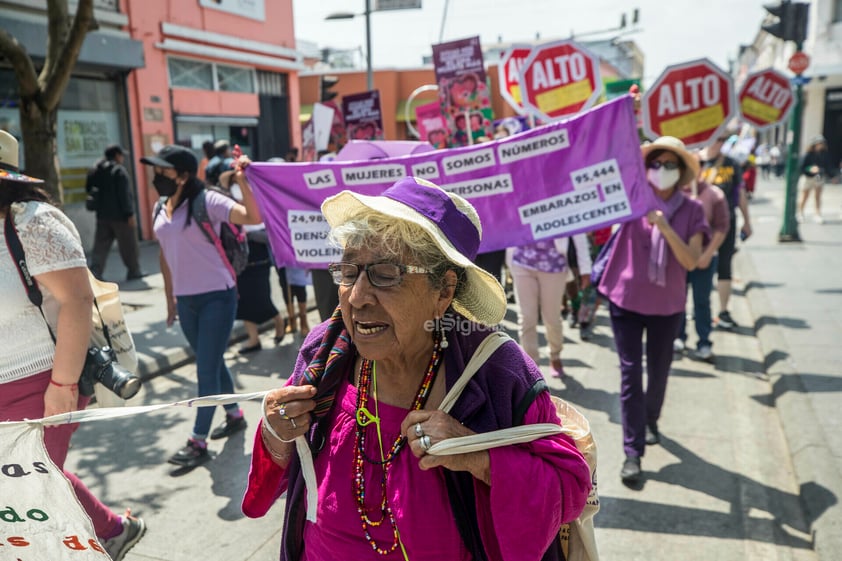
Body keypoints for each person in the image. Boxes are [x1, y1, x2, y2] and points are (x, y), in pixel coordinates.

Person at [242, 176, 591, 560]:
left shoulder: (496, 372)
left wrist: (474, 455)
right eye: (349, 272)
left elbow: (569, 485)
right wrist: (276, 434)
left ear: (443, 291)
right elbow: (282, 468)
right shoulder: (327, 349)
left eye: (386, 275)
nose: (356, 298)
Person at [0, 130, 146, 560]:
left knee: (28, 493)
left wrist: (62, 386)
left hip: (42, 380)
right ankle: (113, 529)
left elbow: (78, 301)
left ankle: (97, 540)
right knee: (32, 483)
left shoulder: (31, 221)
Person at [140, 144, 262, 467]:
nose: (156, 177)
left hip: (217, 297)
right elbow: (165, 255)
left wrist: (243, 181)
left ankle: (198, 441)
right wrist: (170, 299)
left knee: (205, 369)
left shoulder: (207, 201)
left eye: (162, 171)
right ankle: (234, 414)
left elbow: (253, 216)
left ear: (181, 175)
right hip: (187, 301)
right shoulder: (160, 207)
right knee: (212, 361)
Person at [597, 136, 708, 484]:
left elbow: (692, 261)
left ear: (682, 171)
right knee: (630, 374)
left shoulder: (693, 210)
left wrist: (664, 226)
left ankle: (650, 419)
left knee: (658, 372)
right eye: (655, 164)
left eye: (670, 165)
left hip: (668, 305)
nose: (661, 171)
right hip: (625, 300)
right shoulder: (632, 199)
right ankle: (633, 452)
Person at [218, 170, 285, 354]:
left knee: (262, 297)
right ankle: (253, 339)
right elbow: (221, 189)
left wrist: (250, 234)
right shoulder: (228, 202)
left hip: (258, 259)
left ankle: (279, 321)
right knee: (244, 301)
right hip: (238, 260)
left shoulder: (257, 201)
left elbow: (268, 235)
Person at [508, 234, 591, 377]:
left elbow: (578, 232)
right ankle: (531, 367)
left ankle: (555, 355)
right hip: (521, 263)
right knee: (527, 318)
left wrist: (585, 269)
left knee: (551, 318)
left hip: (554, 267)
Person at [675, 154, 731, 362]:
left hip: (705, 260)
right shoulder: (675, 194)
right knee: (678, 299)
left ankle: (704, 341)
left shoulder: (714, 195)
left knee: (701, 301)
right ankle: (677, 337)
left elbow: (721, 227)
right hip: (679, 260)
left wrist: (706, 255)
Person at [699, 132, 751, 330]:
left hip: (725, 222)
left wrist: (747, 221)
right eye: (715, 139)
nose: (718, 143)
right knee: (696, 266)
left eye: (722, 139)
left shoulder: (732, 164)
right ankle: (695, 311)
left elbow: (740, 194)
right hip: (699, 224)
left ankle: (723, 311)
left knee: (724, 264)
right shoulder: (695, 161)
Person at [86, 144, 144, 281]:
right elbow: (125, 194)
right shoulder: (119, 171)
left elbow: (89, 189)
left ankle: (96, 272)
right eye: (122, 155)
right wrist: (130, 213)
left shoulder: (95, 170)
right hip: (121, 217)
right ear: (117, 155)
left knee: (100, 246)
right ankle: (134, 271)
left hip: (102, 215)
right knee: (128, 245)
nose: (123, 158)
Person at [797, 135, 836, 224]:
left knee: (818, 197)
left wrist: (832, 176)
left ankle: (817, 214)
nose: (821, 145)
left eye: (822, 143)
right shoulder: (808, 154)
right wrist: (810, 169)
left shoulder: (824, 154)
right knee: (805, 196)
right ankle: (800, 213)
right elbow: (801, 167)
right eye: (819, 143)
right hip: (808, 177)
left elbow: (828, 166)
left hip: (819, 178)